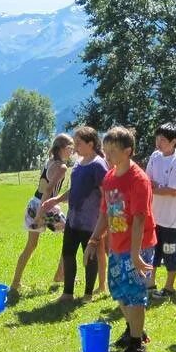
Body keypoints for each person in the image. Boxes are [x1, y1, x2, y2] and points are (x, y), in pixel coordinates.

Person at [84, 126, 157, 352]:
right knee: (119, 291)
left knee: (134, 294)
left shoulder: (139, 180)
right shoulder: (109, 176)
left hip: (138, 245)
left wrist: (137, 255)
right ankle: (134, 330)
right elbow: (105, 214)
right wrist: (94, 240)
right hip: (118, 245)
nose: (108, 155)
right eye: (105, 150)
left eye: (113, 150)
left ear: (128, 151)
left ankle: (137, 346)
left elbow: (139, 219)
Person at [40, 126, 108, 302]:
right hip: (73, 220)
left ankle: (87, 294)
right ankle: (67, 293)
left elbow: (106, 194)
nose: (75, 147)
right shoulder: (79, 163)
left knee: (89, 257)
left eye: (78, 143)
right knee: (68, 254)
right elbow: (74, 190)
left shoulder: (98, 165)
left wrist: (104, 220)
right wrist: (55, 201)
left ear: (90, 144)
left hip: (90, 222)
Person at [9, 134, 73, 296]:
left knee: (30, 246)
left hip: (34, 203)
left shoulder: (49, 161)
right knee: (72, 235)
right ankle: (60, 275)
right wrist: (39, 216)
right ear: (61, 148)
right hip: (46, 207)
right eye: (69, 148)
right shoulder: (62, 167)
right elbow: (49, 190)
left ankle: (15, 284)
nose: (71, 151)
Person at [146, 123, 176, 298]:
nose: (159, 142)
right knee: (153, 249)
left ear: (173, 142)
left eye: (163, 140)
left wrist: (155, 187)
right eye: (158, 138)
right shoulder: (155, 156)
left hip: (172, 218)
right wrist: (156, 187)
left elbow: (173, 191)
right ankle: (150, 284)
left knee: (170, 250)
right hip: (155, 214)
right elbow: (147, 180)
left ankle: (169, 287)